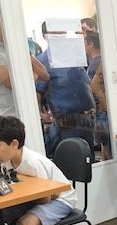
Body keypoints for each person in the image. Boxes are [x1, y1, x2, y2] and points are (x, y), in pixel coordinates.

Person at [0, 1, 49, 118]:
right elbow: (13, 83)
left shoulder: (15, 45)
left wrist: (21, 50)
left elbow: (45, 75)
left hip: (31, 113)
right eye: (6, 18)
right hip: (9, 116)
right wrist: (32, 74)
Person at [37, 21, 95, 153]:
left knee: (88, 157)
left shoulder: (73, 56)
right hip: (66, 120)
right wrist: (40, 114)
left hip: (86, 118)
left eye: (62, 32)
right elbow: (37, 90)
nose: (60, 36)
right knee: (73, 156)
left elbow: (86, 84)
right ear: (45, 36)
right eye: (55, 33)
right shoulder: (43, 60)